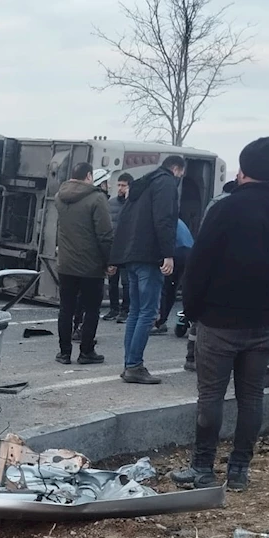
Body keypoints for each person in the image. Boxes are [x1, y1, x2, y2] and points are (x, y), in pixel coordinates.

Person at [173, 137, 269, 492]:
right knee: (251, 398)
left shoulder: (225, 209)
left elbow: (198, 266)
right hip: (262, 323)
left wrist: (193, 310)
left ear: (242, 171)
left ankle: (202, 468)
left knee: (211, 396)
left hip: (218, 321)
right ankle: (239, 470)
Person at [109, 155, 184, 384]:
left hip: (131, 256)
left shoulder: (142, 183)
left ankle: (129, 363)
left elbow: (123, 221)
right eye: (181, 173)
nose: (180, 178)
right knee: (148, 313)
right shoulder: (166, 183)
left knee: (135, 312)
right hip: (150, 256)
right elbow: (165, 219)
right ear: (177, 169)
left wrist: (117, 256)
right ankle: (135, 365)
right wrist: (167, 253)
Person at [54, 162, 113, 365]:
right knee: (91, 309)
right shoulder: (97, 198)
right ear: (89, 176)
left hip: (66, 264)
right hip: (91, 266)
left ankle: (64, 352)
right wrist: (109, 261)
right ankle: (86, 351)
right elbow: (105, 234)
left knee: (66, 309)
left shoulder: (59, 197)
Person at [184, 179, 238, 371]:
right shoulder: (229, 206)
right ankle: (198, 357)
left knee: (198, 320)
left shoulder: (216, 203)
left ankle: (191, 356)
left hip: (208, 261)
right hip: (220, 267)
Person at [151, 218, 194, 334]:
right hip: (189, 251)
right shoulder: (178, 221)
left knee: (163, 287)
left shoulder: (161, 220)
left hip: (175, 251)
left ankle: (159, 321)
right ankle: (164, 319)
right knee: (172, 287)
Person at [102, 172, 133, 323]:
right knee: (112, 280)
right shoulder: (111, 203)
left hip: (128, 250)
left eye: (124, 185)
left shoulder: (133, 204)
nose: (120, 188)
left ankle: (125, 310)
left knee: (126, 282)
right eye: (119, 185)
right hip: (114, 248)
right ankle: (114, 309)